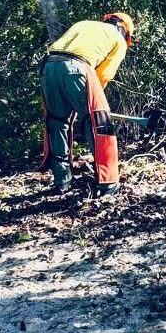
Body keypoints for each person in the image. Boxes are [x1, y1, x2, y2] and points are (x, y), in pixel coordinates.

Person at [40, 12, 134, 195]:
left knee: (57, 123)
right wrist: (91, 104)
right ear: (125, 30)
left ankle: (62, 181)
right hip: (78, 67)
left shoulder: (84, 23)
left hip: (49, 66)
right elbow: (103, 76)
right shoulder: (118, 40)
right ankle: (108, 184)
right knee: (99, 124)